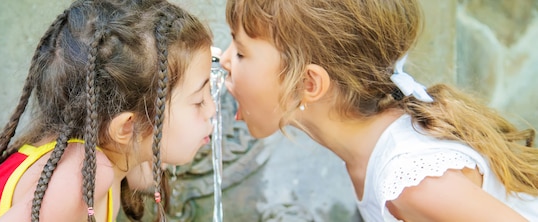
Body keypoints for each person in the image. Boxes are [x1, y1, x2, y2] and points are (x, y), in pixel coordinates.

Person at [219, 0, 538, 221]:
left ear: (308, 83)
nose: (224, 60)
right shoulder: (376, 148)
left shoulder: (411, 181)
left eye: (242, 52)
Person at [0, 0, 215, 221]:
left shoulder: (107, 155)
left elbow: (146, 172)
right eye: (199, 101)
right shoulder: (80, 176)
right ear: (128, 127)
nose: (213, 111)